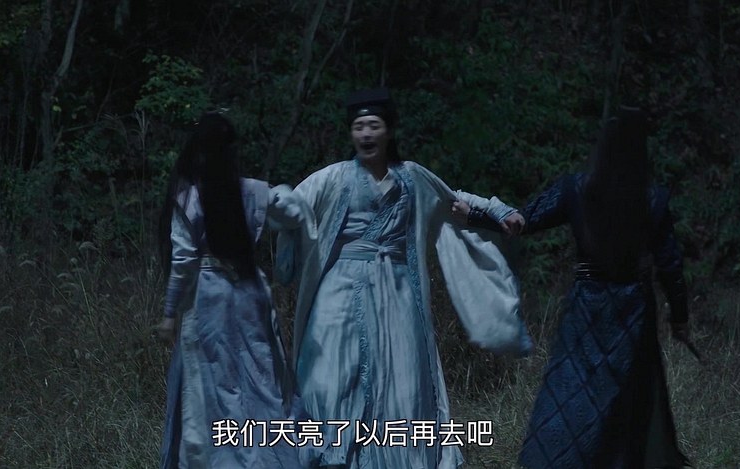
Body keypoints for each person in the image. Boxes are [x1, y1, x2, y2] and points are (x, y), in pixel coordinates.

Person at [274, 87, 533, 468]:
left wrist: (499, 211)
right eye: (359, 127)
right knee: (326, 375)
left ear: (389, 131)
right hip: (339, 291)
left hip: (396, 290)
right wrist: (265, 203)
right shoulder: (334, 177)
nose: (365, 134)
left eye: (373, 126)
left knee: (404, 378)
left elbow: (453, 199)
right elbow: (292, 205)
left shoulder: (411, 177)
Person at [457, 106, 692, 468]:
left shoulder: (578, 189)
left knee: (574, 392)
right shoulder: (652, 198)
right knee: (625, 400)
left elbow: (523, 221)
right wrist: (680, 318)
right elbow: (671, 267)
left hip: (589, 306)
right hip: (631, 310)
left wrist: (474, 214)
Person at [155, 112, 306, 468]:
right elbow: (294, 213)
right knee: (258, 375)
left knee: (212, 384)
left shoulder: (189, 198)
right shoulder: (255, 191)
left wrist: (169, 313)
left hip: (209, 296)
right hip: (249, 291)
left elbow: (183, 260)